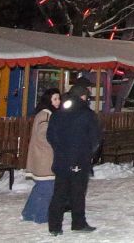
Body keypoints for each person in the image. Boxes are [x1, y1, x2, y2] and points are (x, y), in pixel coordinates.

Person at [47, 84, 102, 235]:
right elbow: (95, 139)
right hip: (79, 159)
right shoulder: (87, 114)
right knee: (78, 193)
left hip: (61, 159)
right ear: (83, 96)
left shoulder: (58, 114)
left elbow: (50, 136)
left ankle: (54, 226)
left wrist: (60, 149)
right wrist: (88, 153)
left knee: (59, 192)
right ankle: (78, 223)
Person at [22, 88, 61, 222]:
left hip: (41, 157)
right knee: (47, 188)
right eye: (55, 99)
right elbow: (44, 136)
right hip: (45, 158)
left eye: (58, 99)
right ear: (48, 100)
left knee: (40, 187)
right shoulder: (46, 115)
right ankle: (41, 216)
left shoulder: (44, 114)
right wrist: (58, 143)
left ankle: (28, 213)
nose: (58, 102)